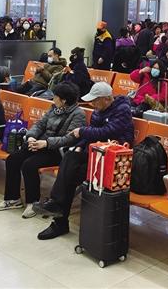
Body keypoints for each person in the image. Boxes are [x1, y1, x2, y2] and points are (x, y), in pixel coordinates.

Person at [33, 82, 133, 240]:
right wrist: (80, 146)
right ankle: (56, 206)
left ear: (107, 99)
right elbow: (90, 134)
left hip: (114, 161)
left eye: (95, 100)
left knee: (70, 175)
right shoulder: (98, 111)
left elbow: (107, 132)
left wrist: (82, 131)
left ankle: (59, 220)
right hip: (96, 154)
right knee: (70, 157)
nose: (92, 104)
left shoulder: (123, 110)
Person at [0, 82, 86, 217]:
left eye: (55, 96)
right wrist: (31, 136)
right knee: (12, 159)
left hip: (57, 151)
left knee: (29, 165)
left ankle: (33, 203)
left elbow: (69, 139)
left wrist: (46, 143)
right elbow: (40, 125)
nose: (53, 99)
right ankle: (13, 199)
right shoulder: (54, 108)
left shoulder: (78, 114)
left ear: (64, 100)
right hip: (40, 144)